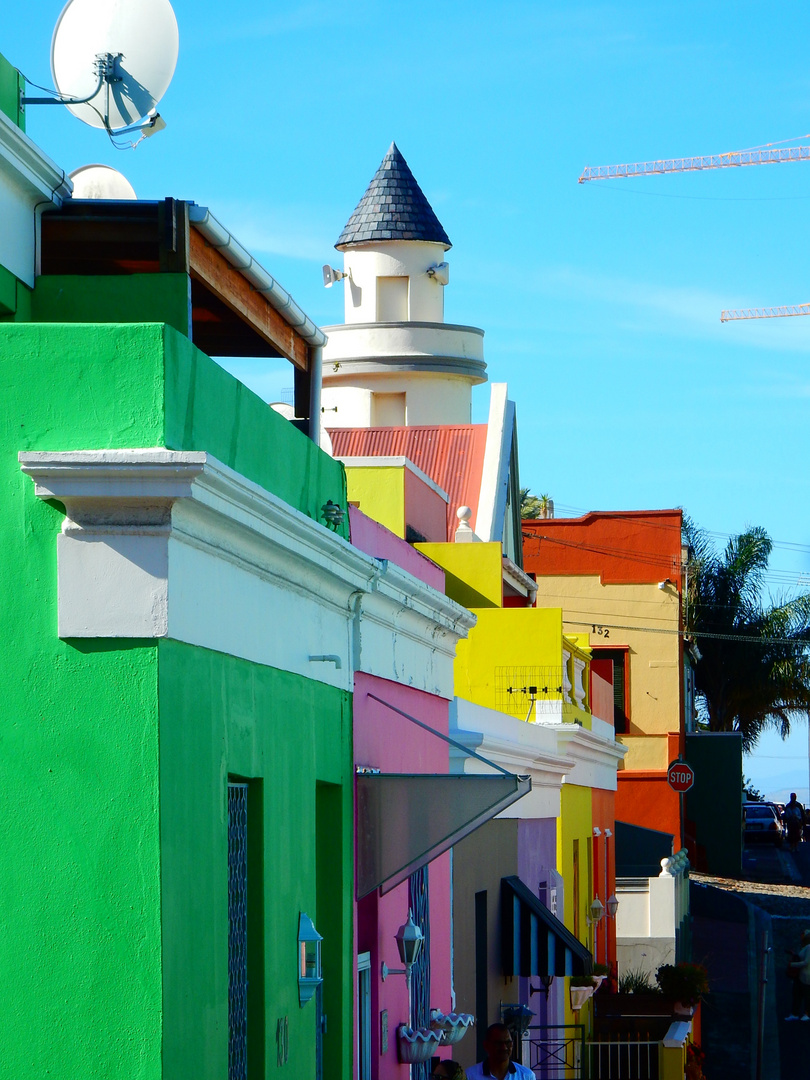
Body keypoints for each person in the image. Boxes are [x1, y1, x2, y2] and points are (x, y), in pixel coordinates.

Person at [465, 1023, 534, 1080]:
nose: (504, 1047)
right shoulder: (470, 1076)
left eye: (508, 1043)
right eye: (498, 1043)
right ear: (486, 1045)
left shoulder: (526, 1076)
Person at [786, 929, 810, 1020]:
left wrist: (792, 964)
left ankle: (807, 1014)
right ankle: (795, 1014)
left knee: (807, 996)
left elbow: (806, 962)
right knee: (797, 995)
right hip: (800, 976)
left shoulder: (809, 947)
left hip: (806, 977)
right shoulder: (805, 947)